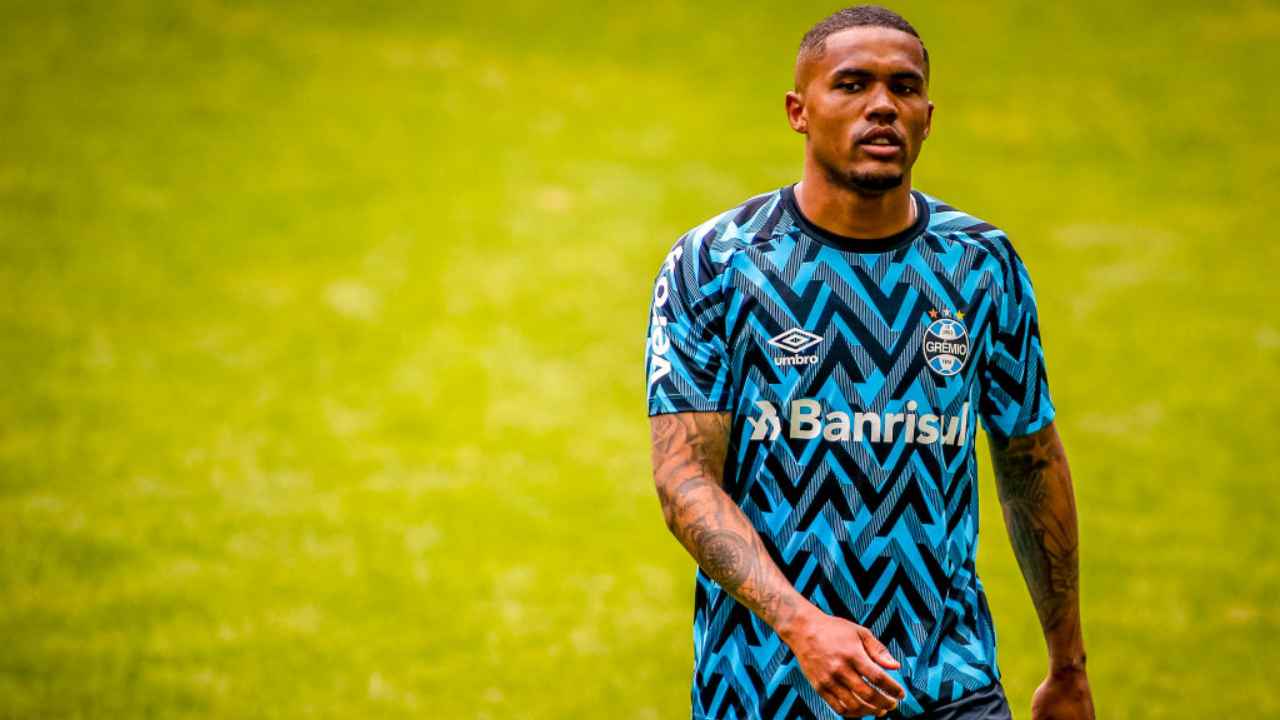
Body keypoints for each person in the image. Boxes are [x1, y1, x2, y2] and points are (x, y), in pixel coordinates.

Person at [645, 6, 1095, 719]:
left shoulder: (982, 265)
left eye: (904, 88)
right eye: (851, 84)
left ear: (927, 116)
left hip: (950, 686)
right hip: (767, 689)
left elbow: (1030, 462)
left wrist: (1067, 664)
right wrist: (802, 626)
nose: (882, 105)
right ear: (799, 110)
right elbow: (685, 480)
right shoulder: (718, 264)